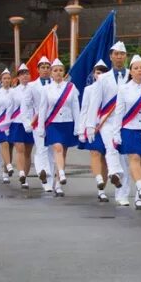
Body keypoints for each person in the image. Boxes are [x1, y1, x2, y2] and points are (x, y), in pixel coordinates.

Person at [85, 42, 132, 206]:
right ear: (111, 57)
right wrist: (90, 125)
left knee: (125, 158)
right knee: (111, 148)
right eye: (116, 54)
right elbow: (95, 102)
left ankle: (122, 194)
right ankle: (113, 172)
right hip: (107, 121)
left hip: (127, 121)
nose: (119, 57)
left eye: (122, 54)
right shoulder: (103, 78)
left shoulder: (132, 75)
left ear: (126, 56)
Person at [36, 59, 81, 196]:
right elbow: (42, 109)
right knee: (57, 148)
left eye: (60, 70)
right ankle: (61, 173)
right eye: (55, 70)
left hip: (67, 122)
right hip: (53, 123)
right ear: (51, 73)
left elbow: (75, 107)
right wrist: (41, 127)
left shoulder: (71, 87)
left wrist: (77, 126)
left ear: (64, 72)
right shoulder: (46, 89)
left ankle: (58, 184)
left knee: (63, 153)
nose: (58, 73)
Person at [115, 54, 141, 210]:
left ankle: (138, 197)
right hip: (129, 128)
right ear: (130, 71)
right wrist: (116, 132)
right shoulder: (124, 89)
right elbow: (119, 111)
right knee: (134, 158)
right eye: (136, 68)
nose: (139, 71)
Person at [78, 60, 110, 202]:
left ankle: (102, 189)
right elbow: (84, 110)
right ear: (94, 74)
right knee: (95, 153)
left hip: (108, 126)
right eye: (98, 72)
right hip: (93, 126)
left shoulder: (112, 88)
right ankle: (98, 179)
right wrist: (81, 130)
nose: (100, 75)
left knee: (105, 158)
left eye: (103, 72)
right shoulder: (89, 89)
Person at [30, 56, 57, 191]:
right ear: (38, 70)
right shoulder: (32, 86)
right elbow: (26, 105)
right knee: (41, 149)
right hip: (38, 122)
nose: (45, 70)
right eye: (43, 68)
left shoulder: (57, 84)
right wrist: (27, 122)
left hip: (53, 122)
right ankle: (43, 173)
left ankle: (49, 181)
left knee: (51, 151)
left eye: (48, 68)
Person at [8, 64, 35, 189]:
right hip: (17, 123)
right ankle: (21, 173)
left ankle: (25, 177)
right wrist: (6, 124)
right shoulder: (13, 92)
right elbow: (10, 109)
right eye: (22, 74)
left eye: (27, 73)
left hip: (30, 122)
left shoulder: (34, 89)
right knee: (19, 148)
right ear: (18, 77)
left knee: (28, 151)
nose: (25, 76)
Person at [0, 69, 15, 183]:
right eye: (4, 78)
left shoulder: (14, 92)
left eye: (8, 78)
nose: (6, 80)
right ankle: (9, 165)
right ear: (1, 80)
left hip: (11, 122)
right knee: (4, 144)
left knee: (10, 146)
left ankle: (6, 172)